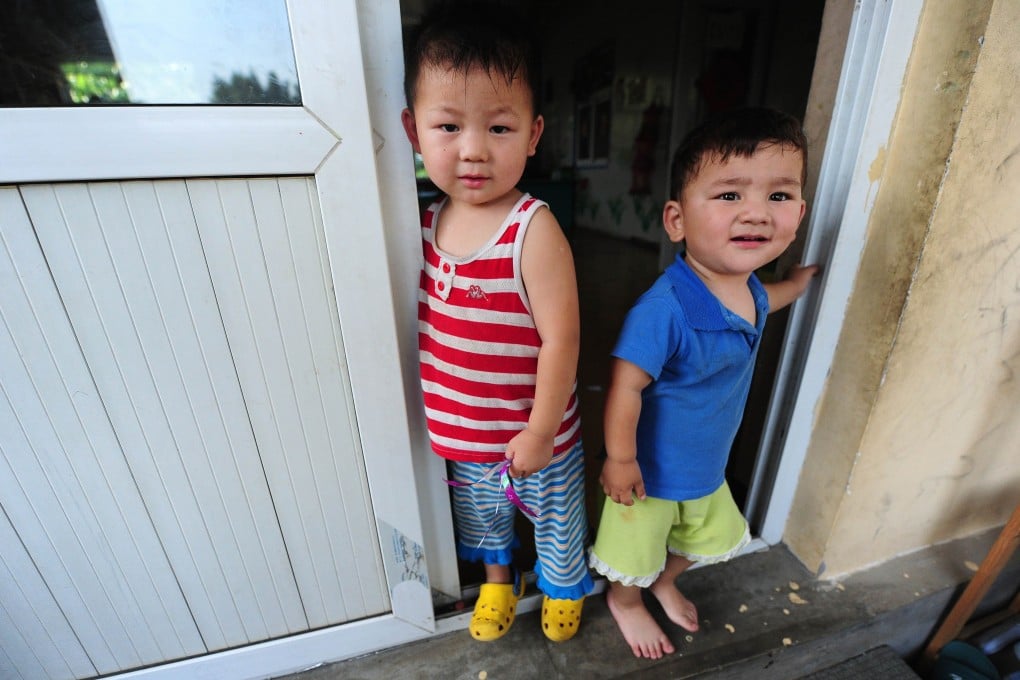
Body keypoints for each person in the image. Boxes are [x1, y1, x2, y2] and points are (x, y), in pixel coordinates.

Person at [588, 107, 820, 659]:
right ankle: (626, 600)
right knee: (634, 550)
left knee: (707, 536)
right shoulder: (664, 309)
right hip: (647, 476)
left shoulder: (750, 288)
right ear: (677, 221)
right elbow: (625, 386)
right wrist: (620, 459)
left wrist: (796, 283)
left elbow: (768, 302)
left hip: (707, 467)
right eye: (729, 195)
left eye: (779, 197)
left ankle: (667, 581)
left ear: (800, 212)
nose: (757, 214)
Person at [400, 1, 593, 643]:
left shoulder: (532, 230)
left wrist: (541, 431)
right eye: (449, 127)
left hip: (534, 432)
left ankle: (565, 586)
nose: (474, 150)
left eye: (500, 129)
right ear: (413, 132)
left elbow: (562, 337)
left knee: (556, 519)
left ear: (534, 135)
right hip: (466, 432)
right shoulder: (425, 224)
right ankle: (499, 583)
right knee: (485, 522)